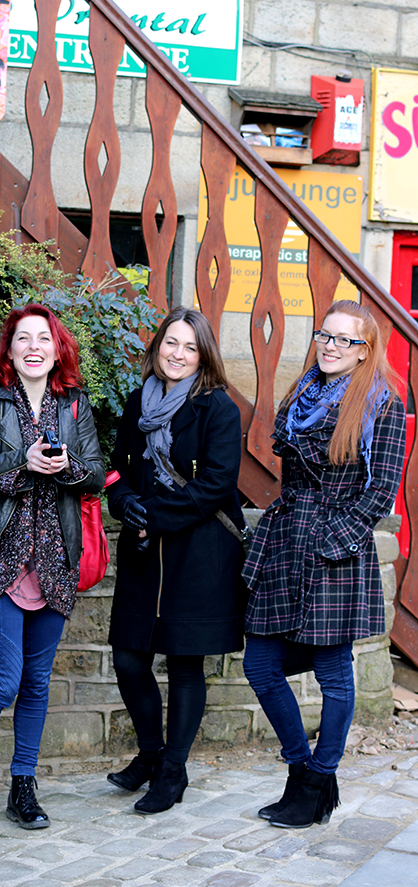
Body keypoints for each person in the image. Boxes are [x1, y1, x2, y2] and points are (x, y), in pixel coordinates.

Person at [0, 303, 105, 838]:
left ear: (58, 350)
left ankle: (22, 786)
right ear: (9, 349)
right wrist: (20, 462)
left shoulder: (74, 405)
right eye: (23, 338)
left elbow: (97, 475)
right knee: (4, 678)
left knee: (35, 682)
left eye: (44, 339)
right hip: (0, 555)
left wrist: (67, 467)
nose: (34, 346)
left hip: (55, 559)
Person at [242, 300, 406, 830]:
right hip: (286, 542)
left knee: (335, 675)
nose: (332, 346)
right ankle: (303, 772)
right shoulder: (303, 393)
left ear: (366, 352)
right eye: (325, 336)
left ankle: (317, 781)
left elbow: (380, 491)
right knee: (260, 666)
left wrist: (334, 540)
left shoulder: (383, 404)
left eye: (346, 340)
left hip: (335, 550)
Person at [106, 307, 247, 814]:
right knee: (128, 659)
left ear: (203, 354)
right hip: (144, 555)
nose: (178, 354)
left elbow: (215, 486)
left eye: (189, 347)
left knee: (186, 665)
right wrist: (123, 504)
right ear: (157, 346)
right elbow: (117, 471)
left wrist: (154, 517)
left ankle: (173, 770)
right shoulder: (135, 403)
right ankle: (150, 752)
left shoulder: (218, 409)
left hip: (198, 554)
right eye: (171, 343)